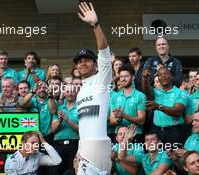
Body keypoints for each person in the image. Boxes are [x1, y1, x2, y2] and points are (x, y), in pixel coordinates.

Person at [73, 2, 112, 174]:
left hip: (99, 148)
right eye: (79, 62)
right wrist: (78, 152)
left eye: (87, 60)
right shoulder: (80, 91)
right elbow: (84, 127)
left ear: (95, 65)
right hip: (84, 149)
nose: (82, 63)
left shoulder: (101, 81)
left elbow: (104, 53)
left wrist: (95, 25)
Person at [142, 64, 188, 145]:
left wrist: (158, 107)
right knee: (158, 156)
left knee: (174, 156)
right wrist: (145, 78)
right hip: (157, 132)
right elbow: (146, 90)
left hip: (175, 132)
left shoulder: (181, 92)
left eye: (166, 73)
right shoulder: (156, 92)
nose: (163, 76)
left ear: (171, 76)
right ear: (158, 78)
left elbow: (177, 111)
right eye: (160, 75)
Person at [109, 65, 146, 143]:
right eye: (121, 76)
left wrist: (124, 115)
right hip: (119, 135)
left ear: (133, 77)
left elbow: (142, 120)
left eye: (126, 76)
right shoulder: (114, 96)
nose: (123, 79)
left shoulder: (140, 96)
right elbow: (112, 120)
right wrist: (119, 119)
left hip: (135, 134)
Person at [51, 84, 79, 175]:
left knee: (73, 171)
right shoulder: (58, 108)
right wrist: (60, 120)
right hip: (58, 144)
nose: (70, 93)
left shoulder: (80, 108)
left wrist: (67, 120)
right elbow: (53, 130)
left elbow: (81, 129)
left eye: (72, 91)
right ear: (64, 93)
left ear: (76, 93)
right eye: (67, 91)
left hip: (74, 144)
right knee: (56, 171)